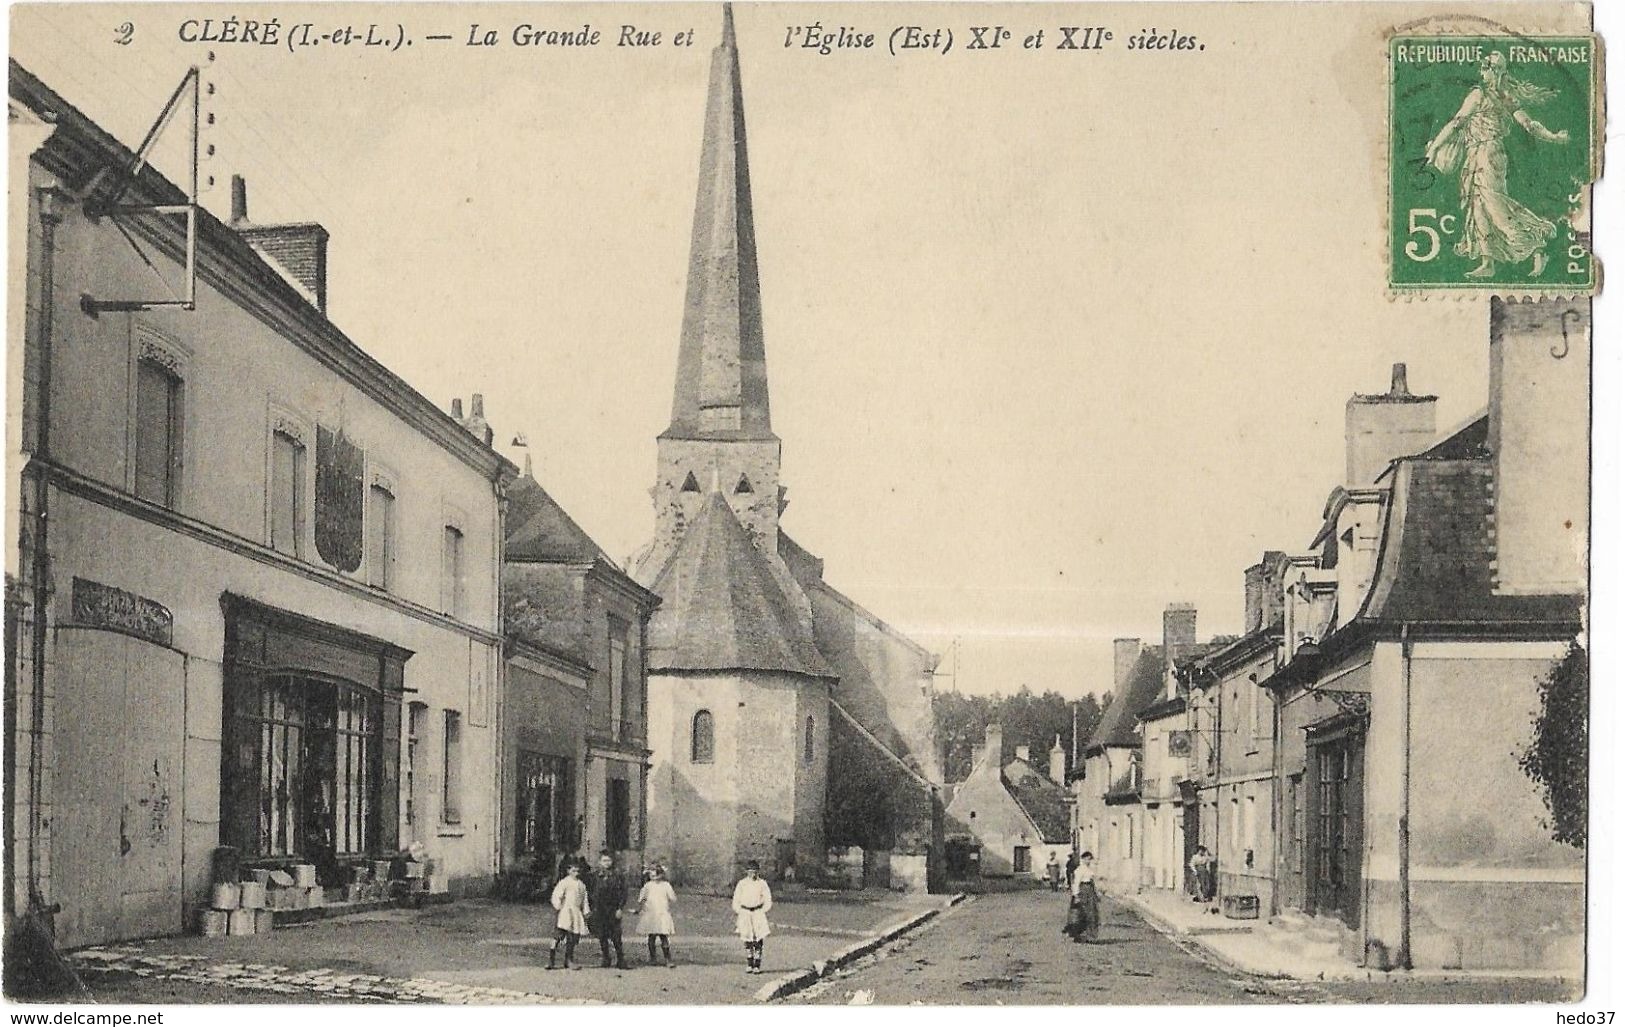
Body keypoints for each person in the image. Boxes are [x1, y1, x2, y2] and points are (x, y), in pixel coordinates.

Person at [1425, 51, 1570, 279]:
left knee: (1494, 205)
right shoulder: (1505, 97)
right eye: (1483, 67)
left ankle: (1537, 244)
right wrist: (1554, 137)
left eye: (1486, 67)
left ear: (1496, 71)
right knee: (1478, 205)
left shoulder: (1480, 95)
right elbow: (1530, 125)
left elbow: (1456, 123)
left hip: (1486, 154)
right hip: (1483, 154)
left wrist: (1434, 148)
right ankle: (1488, 262)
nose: (1482, 71)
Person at [587, 850, 629, 969]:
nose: (607, 863)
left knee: (616, 935)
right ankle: (606, 958)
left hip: (613, 908)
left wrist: (620, 908)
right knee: (602, 934)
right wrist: (591, 908)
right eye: (604, 860)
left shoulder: (618, 876)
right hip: (599, 909)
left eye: (609, 860)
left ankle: (621, 959)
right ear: (600, 862)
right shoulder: (594, 876)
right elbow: (590, 892)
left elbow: (623, 893)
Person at [545, 861, 590, 970]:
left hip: (576, 912)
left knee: (572, 938)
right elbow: (556, 895)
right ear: (568, 871)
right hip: (565, 912)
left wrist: (586, 911)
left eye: (578, 871)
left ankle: (568, 960)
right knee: (558, 936)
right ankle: (551, 961)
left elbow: (584, 899)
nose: (576, 873)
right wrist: (558, 906)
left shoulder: (581, 885)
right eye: (573, 871)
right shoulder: (564, 882)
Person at [731, 859, 773, 974]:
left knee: (758, 938)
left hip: (757, 913)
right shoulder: (742, 884)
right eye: (750, 871)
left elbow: (767, 899)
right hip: (745, 913)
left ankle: (757, 964)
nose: (753, 874)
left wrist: (762, 910)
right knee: (747, 937)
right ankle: (749, 963)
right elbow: (736, 899)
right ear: (747, 872)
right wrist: (740, 911)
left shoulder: (762, 883)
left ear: (758, 872)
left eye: (755, 872)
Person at [635, 862, 678, 967]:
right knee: (651, 936)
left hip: (662, 913)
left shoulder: (666, 885)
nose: (654, 877)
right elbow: (641, 898)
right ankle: (653, 958)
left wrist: (668, 898)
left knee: (664, 936)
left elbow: (673, 898)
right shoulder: (648, 886)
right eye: (652, 875)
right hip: (651, 913)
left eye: (657, 874)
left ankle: (668, 959)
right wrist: (640, 908)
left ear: (662, 874)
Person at [1064, 851, 1100, 943]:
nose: (1088, 861)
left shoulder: (1089, 869)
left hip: (1090, 891)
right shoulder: (1080, 870)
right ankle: (1079, 935)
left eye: (1089, 859)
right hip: (1083, 891)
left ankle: (1090, 935)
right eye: (1087, 859)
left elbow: (1092, 882)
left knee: (1091, 913)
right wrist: (1076, 895)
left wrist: (1096, 893)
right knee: (1081, 914)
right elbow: (1076, 883)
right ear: (1083, 859)